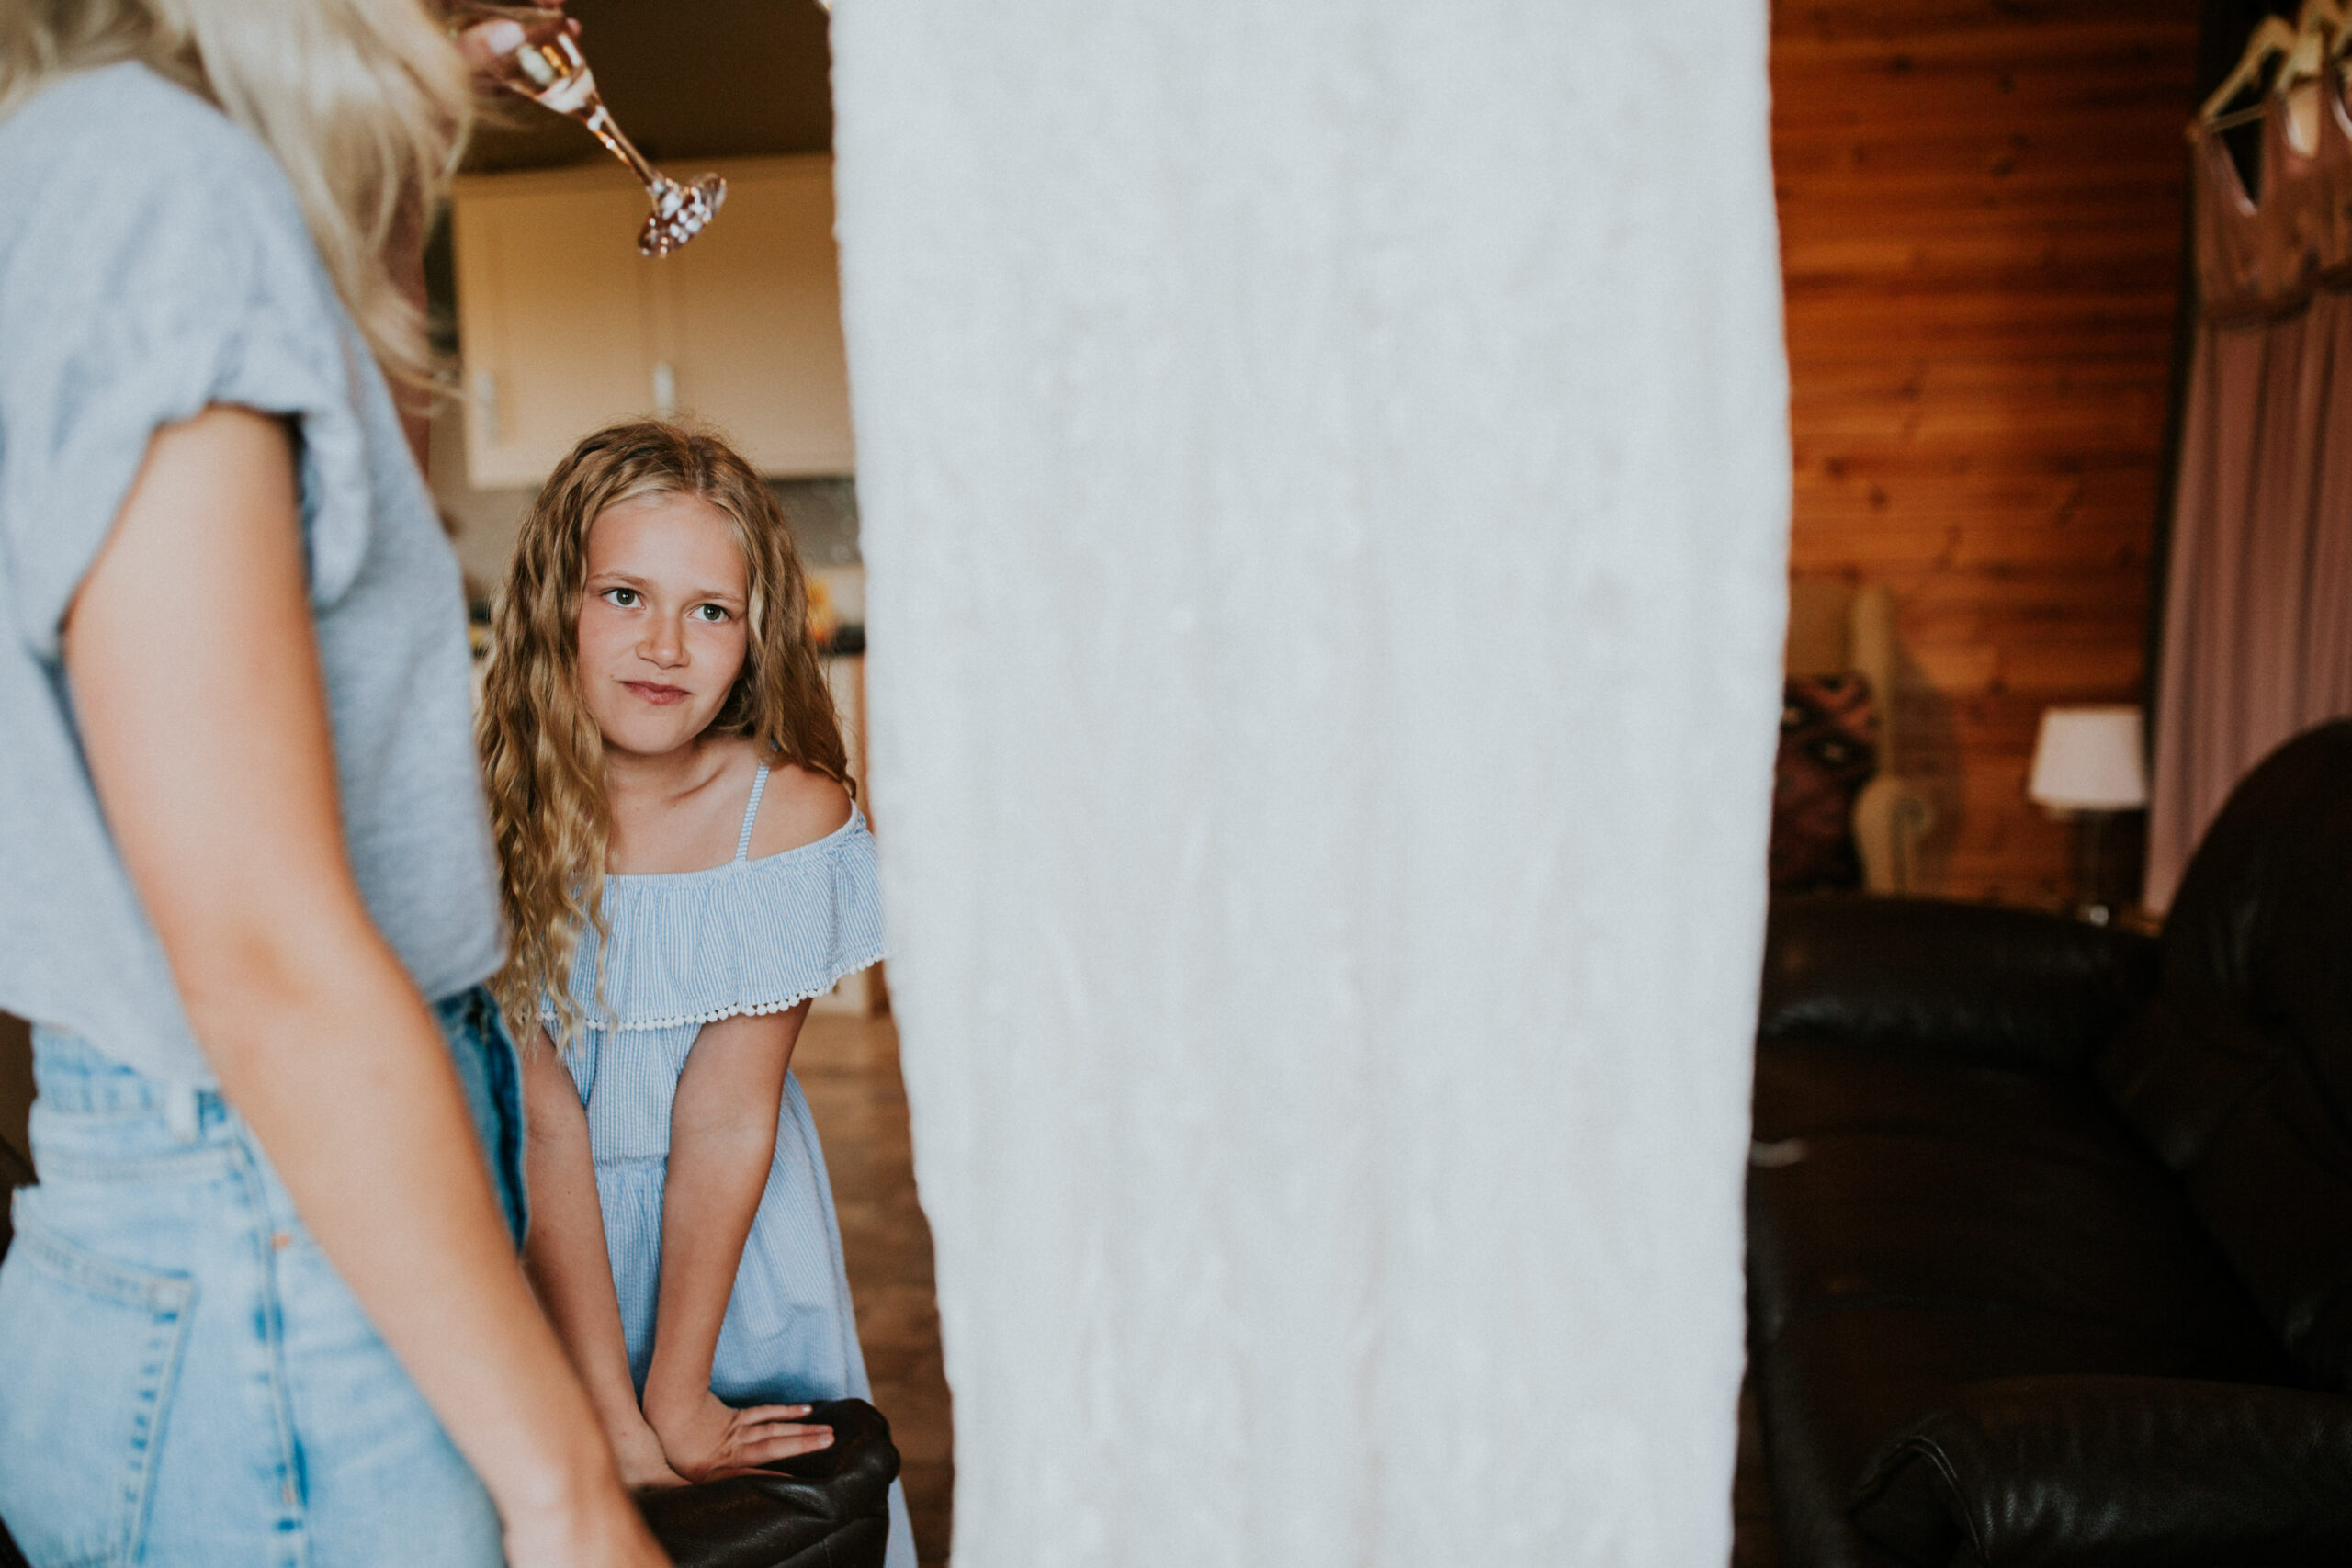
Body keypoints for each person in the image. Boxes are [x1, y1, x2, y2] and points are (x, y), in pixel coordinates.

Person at [0, 4, 668, 1564]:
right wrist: (569, 1493)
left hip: (271, 1204)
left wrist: (401, 123)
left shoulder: (124, 172)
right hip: (282, 1228)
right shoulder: (158, 193)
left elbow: (352, 511)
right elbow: (260, 951)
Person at [479, 420, 914, 1565]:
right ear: (553, 605)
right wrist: (609, 1423)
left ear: (756, 636)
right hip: (531, 1237)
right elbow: (542, 1117)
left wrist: (672, 1397)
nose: (664, 644)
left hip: (729, 1248)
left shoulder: (791, 814)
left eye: (709, 611)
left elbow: (725, 1109)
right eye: (623, 595)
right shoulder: (480, 812)